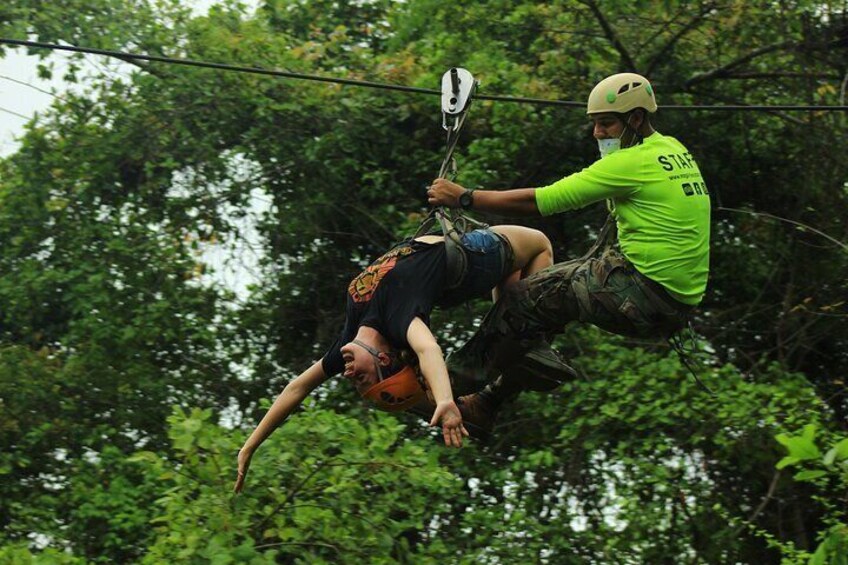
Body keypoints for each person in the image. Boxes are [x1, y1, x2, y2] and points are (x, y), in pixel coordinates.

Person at [426, 72, 711, 434]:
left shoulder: (632, 162)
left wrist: (464, 197)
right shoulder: (674, 150)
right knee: (540, 312)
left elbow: (543, 200)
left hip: (643, 291)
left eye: (606, 124)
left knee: (521, 298)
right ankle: (490, 400)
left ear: (635, 119)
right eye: (594, 124)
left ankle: (448, 383)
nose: (597, 133)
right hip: (676, 302)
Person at [233, 224, 555, 493]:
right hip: (477, 258)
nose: (347, 376)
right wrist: (445, 402)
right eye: (362, 378)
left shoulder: (350, 334)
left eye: (357, 382)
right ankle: (532, 339)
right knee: (540, 246)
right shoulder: (398, 321)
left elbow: (297, 388)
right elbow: (428, 349)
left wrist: (250, 445)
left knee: (514, 309)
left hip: (460, 255)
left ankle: (525, 338)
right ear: (384, 360)